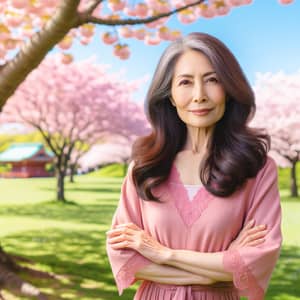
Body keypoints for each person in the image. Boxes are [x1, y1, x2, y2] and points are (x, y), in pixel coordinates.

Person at [106, 32, 282, 300]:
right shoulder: (144, 167)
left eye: (212, 80)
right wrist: (225, 263)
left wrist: (164, 255)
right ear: (170, 95)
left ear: (229, 88)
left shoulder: (257, 168)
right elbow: (125, 257)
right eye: (186, 82)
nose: (199, 95)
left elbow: (256, 259)